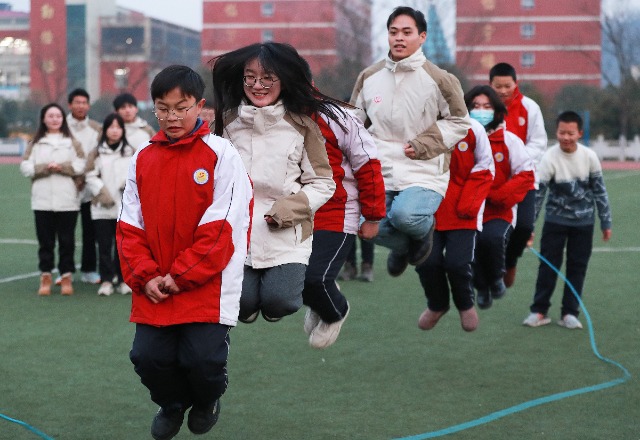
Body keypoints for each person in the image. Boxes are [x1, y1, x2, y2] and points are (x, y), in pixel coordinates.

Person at [116, 65, 253, 440]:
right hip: (155, 285)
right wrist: (145, 276)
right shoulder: (143, 156)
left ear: (199, 106)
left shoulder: (221, 154)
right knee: (147, 358)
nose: (172, 117)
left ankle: (207, 400)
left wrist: (181, 275)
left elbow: (223, 226)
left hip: (205, 284)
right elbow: (129, 226)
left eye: (181, 107)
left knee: (202, 361)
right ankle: (172, 404)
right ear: (153, 108)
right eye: (163, 108)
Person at [210, 42, 336, 324]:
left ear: (284, 80)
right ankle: (250, 302)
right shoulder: (224, 124)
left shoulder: (303, 126)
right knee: (239, 303)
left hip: (286, 231)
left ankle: (281, 297)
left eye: (267, 78)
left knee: (280, 300)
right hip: (237, 232)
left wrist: (291, 208)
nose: (258, 85)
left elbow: (323, 182)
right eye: (250, 77)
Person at [350, 6, 471, 278]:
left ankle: (423, 231)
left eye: (407, 32)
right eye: (394, 32)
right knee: (363, 226)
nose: (399, 38)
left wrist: (423, 144)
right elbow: (353, 123)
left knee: (404, 216)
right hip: (380, 168)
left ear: (422, 36)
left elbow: (460, 121)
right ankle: (404, 247)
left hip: (423, 169)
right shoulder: (369, 76)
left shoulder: (440, 79)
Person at [302, 103, 386, 349]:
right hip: (292, 211)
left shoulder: (336, 118)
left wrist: (372, 216)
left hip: (336, 210)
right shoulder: (270, 114)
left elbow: (367, 164)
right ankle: (321, 298)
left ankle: (335, 310)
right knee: (287, 279)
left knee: (314, 278)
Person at [523, 111, 612, 329]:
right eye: (562, 132)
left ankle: (569, 313)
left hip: (584, 224)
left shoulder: (589, 157)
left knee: (577, 267)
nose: (566, 137)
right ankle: (539, 310)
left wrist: (605, 222)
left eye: (571, 133)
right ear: (556, 132)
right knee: (548, 266)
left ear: (579, 133)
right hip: (555, 222)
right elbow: (538, 195)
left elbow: (600, 192)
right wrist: (529, 226)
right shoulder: (549, 157)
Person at [416, 116, 494, 332]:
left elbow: (486, 166)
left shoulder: (472, 128)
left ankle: (465, 304)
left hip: (463, 210)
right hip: (426, 207)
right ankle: (437, 304)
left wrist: (469, 202)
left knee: (457, 264)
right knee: (426, 261)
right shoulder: (417, 123)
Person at [465, 85, 535, 310]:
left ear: (496, 110)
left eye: (487, 106)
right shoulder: (460, 140)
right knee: (469, 245)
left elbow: (526, 174)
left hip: (498, 211)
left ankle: (496, 278)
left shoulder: (510, 141)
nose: (481, 111)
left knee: (492, 239)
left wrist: (498, 196)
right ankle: (481, 287)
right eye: (476, 106)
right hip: (467, 209)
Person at [489, 62, 548, 288]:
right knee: (487, 230)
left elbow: (539, 143)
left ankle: (511, 261)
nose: (503, 91)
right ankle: (486, 272)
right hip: (491, 180)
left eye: (507, 86)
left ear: (516, 84)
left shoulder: (529, 107)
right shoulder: (482, 109)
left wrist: (514, 162)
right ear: (490, 85)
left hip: (523, 179)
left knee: (524, 227)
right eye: (498, 87)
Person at [20, 103, 86, 296]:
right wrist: (44, 168)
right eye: (50, 116)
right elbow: (25, 167)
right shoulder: (35, 143)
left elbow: (81, 165)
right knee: (45, 242)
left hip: (67, 200)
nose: (55, 119)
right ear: (43, 119)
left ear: (63, 119)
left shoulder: (72, 142)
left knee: (67, 242)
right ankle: (45, 276)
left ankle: (66, 277)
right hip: (42, 200)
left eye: (58, 116)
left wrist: (62, 167)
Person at [85, 113, 135, 296]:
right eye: (111, 127)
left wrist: (126, 184)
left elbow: (137, 173)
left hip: (124, 208)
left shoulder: (130, 151)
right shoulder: (96, 152)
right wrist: (101, 191)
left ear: (123, 130)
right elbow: (89, 174)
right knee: (104, 246)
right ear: (105, 130)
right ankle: (106, 280)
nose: (115, 131)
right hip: (102, 208)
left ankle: (123, 280)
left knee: (123, 247)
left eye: (118, 127)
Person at [66, 88, 102, 285]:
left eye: (84, 102)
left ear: (88, 105)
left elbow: (99, 155)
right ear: (70, 105)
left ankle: (89, 270)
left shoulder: (97, 128)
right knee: (65, 233)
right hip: (66, 186)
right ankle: (66, 271)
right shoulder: (60, 126)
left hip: (89, 187)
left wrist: (86, 175)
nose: (80, 106)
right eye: (77, 102)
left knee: (91, 232)